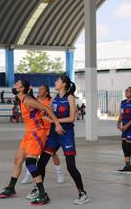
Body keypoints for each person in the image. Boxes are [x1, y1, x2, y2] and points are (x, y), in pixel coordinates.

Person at [0, 80, 63, 206]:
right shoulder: (22, 99)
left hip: (37, 133)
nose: (15, 85)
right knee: (18, 160)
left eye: (17, 84)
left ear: (22, 88)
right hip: (29, 133)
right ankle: (11, 188)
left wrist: (57, 123)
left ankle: (43, 194)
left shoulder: (27, 100)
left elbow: (46, 108)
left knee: (30, 163)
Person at [37, 74, 89, 205]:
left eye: (57, 81)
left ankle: (82, 193)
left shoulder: (70, 97)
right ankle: (39, 190)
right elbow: (51, 114)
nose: (55, 82)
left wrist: (56, 122)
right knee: (41, 162)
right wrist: (47, 116)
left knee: (71, 167)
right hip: (55, 134)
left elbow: (72, 118)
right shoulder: (54, 98)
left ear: (64, 84)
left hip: (66, 134)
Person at [21, 85, 65, 199]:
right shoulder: (33, 100)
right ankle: (29, 175)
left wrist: (55, 123)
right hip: (38, 131)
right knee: (33, 155)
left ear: (46, 92)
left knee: (53, 153)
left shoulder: (50, 101)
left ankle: (59, 172)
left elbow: (51, 112)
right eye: (39, 88)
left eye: (42, 89)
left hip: (48, 130)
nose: (39, 90)